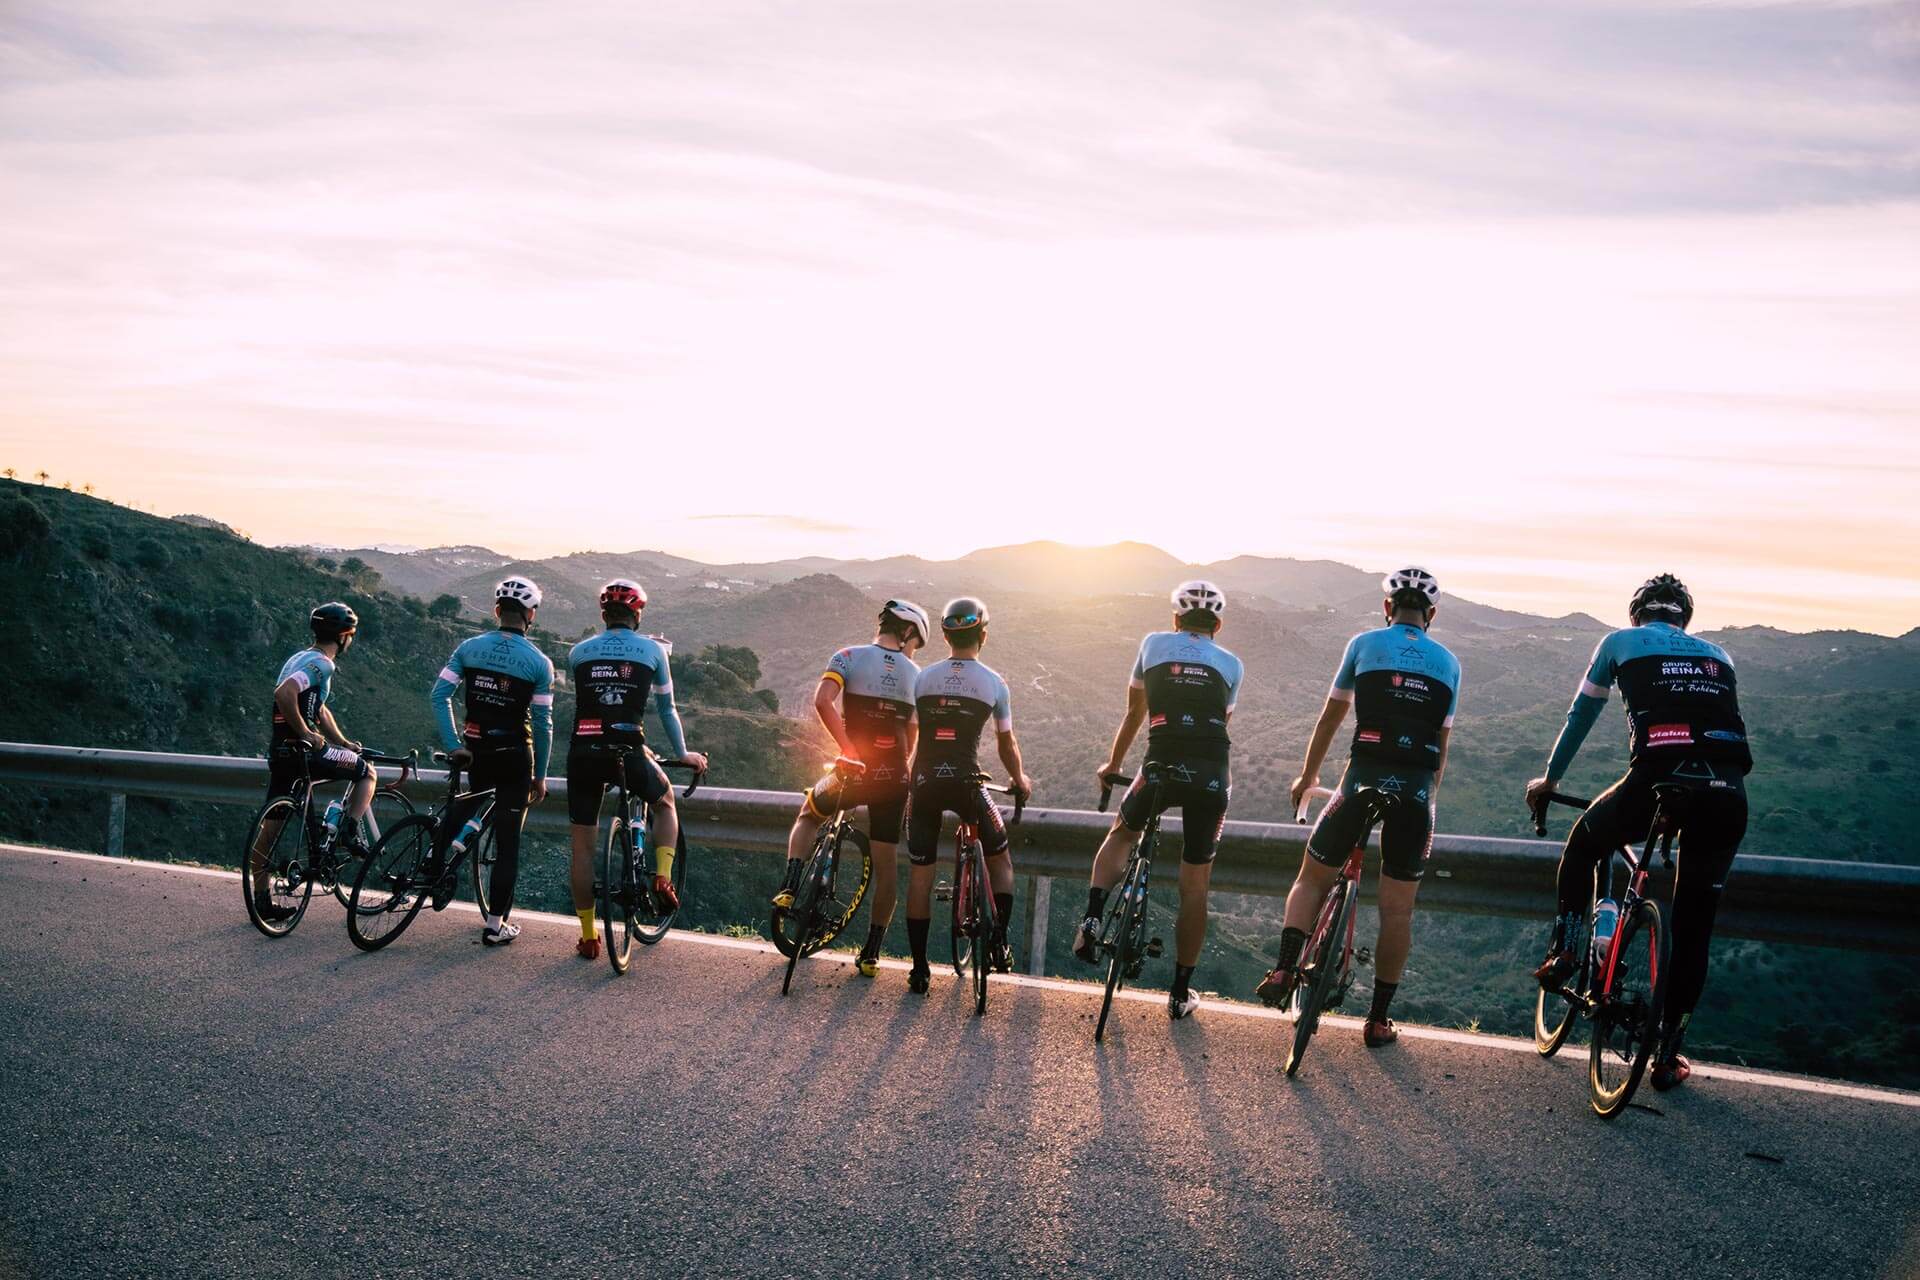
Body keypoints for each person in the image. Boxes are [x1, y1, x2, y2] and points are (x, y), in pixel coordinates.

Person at [1525, 573, 1751, 1091]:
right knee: (1695, 926)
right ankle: (1669, 1053)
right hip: (1727, 794)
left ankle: (1564, 951)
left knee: (1584, 844)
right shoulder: (1721, 655)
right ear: (1684, 618)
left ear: (1637, 614)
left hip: (1655, 782)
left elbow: (1580, 715)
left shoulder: (1619, 642)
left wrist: (1549, 780)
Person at [1255, 567, 1460, 1049]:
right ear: (1431, 615)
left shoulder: (1364, 643)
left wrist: (1308, 777)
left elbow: (1332, 715)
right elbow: (1441, 746)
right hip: (1414, 790)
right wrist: (1428, 798)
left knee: (1311, 877)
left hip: (1361, 777)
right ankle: (1378, 1020)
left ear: (1387, 608)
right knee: (1397, 913)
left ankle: (1285, 968)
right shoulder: (1449, 662)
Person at [1074, 581, 1243, 1020]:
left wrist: (1112, 764)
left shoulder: (1152, 644)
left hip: (1159, 767)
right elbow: (1218, 725)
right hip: (1211, 775)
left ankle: (1092, 917)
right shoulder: (1232, 664)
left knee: (1123, 832)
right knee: (1195, 884)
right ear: (1217, 625)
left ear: (1175, 619)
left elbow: (1136, 713)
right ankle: (1180, 992)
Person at [774, 599, 930, 976]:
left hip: (851, 769)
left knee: (809, 813)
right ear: (908, 632)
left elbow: (822, 702)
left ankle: (791, 886)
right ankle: (871, 953)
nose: (913, 650)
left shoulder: (846, 656)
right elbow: (913, 737)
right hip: (893, 778)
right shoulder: (917, 676)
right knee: (886, 866)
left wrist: (848, 748)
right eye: (916, 642)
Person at [564, 579, 707, 960]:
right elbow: (666, 709)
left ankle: (588, 936)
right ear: (637, 613)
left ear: (604, 614)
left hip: (583, 750)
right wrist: (684, 753)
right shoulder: (653, 651)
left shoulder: (578, 652)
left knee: (582, 848)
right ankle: (661, 877)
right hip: (628, 750)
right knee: (664, 802)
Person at [901, 597, 1033, 995]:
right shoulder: (994, 682)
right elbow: (1006, 744)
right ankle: (998, 942)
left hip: (923, 783)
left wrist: (911, 776)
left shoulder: (921, 679)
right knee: (1000, 858)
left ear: (944, 635)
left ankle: (920, 969)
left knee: (920, 877)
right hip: (967, 784)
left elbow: (912, 735)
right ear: (984, 635)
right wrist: (1020, 779)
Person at [429, 576, 553, 946]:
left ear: (497, 610)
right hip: (515, 758)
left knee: (462, 808)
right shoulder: (540, 663)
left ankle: (433, 875)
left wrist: (454, 745)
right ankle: (495, 926)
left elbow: (439, 696)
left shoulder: (469, 647)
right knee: (508, 843)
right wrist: (541, 776)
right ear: (530, 614)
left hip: (476, 751)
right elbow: (544, 726)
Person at [251, 602, 379, 922]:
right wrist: (307, 733)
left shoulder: (299, 658)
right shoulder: (323, 664)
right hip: (305, 751)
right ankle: (350, 832)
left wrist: (343, 743)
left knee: (270, 830)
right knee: (366, 773)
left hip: (281, 751)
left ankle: (261, 900)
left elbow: (319, 708)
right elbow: (285, 693)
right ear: (345, 636)